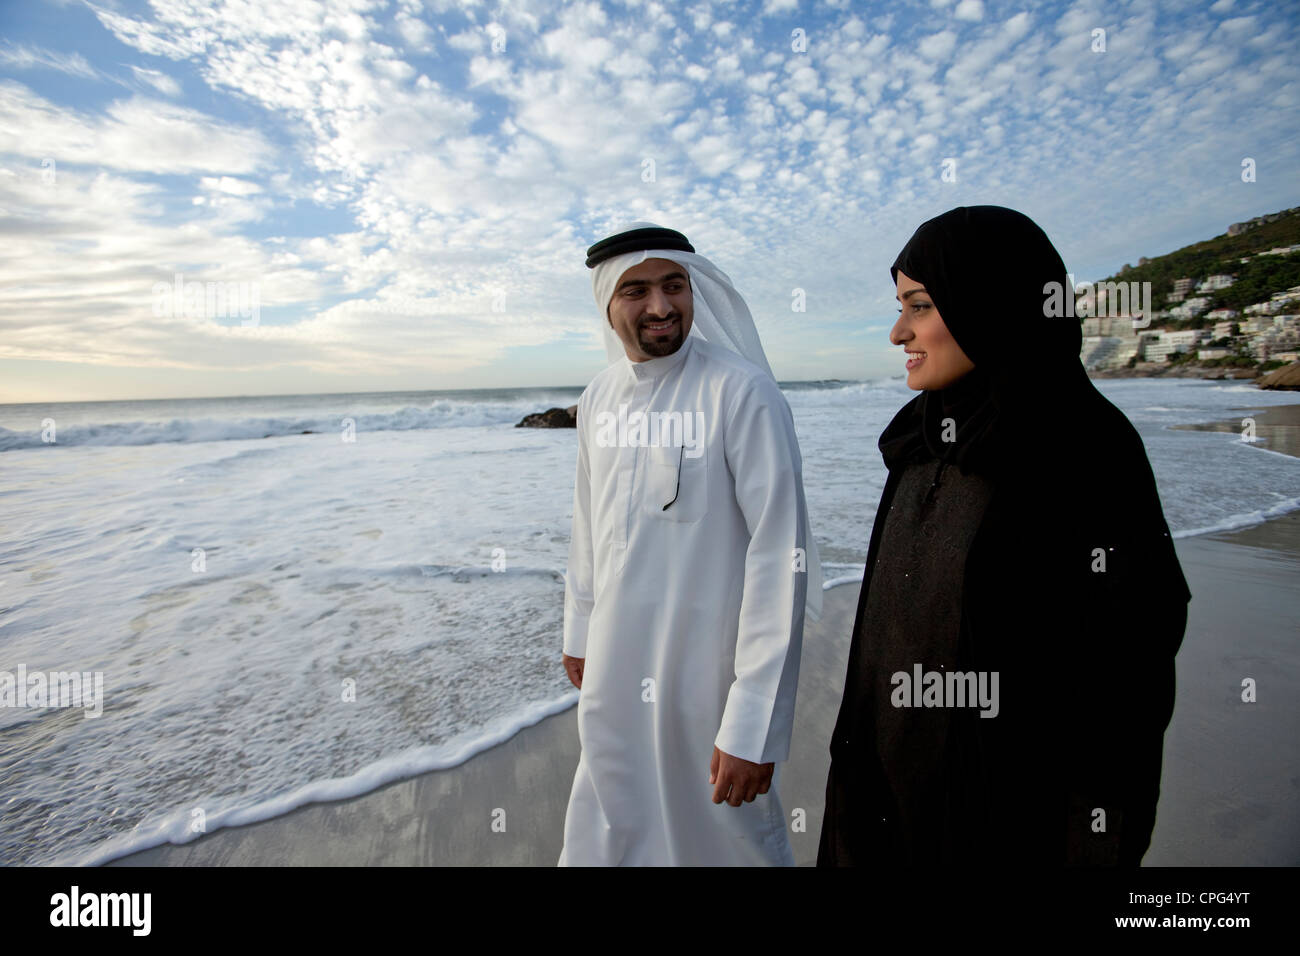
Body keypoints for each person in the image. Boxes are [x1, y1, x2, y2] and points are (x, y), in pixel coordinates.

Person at [818, 205, 1191, 867]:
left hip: (1006, 832)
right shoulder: (921, 438)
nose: (898, 331)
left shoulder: (1084, 452)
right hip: (885, 818)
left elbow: (1121, 704)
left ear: (988, 302)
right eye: (900, 306)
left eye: (921, 306)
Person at [557, 223, 823, 866]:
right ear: (606, 303)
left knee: (724, 842)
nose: (660, 307)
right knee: (611, 826)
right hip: (615, 672)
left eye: (674, 286)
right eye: (636, 290)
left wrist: (755, 721)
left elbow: (778, 556)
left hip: (709, 681)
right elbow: (588, 527)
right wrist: (579, 632)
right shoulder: (598, 398)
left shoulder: (742, 392)